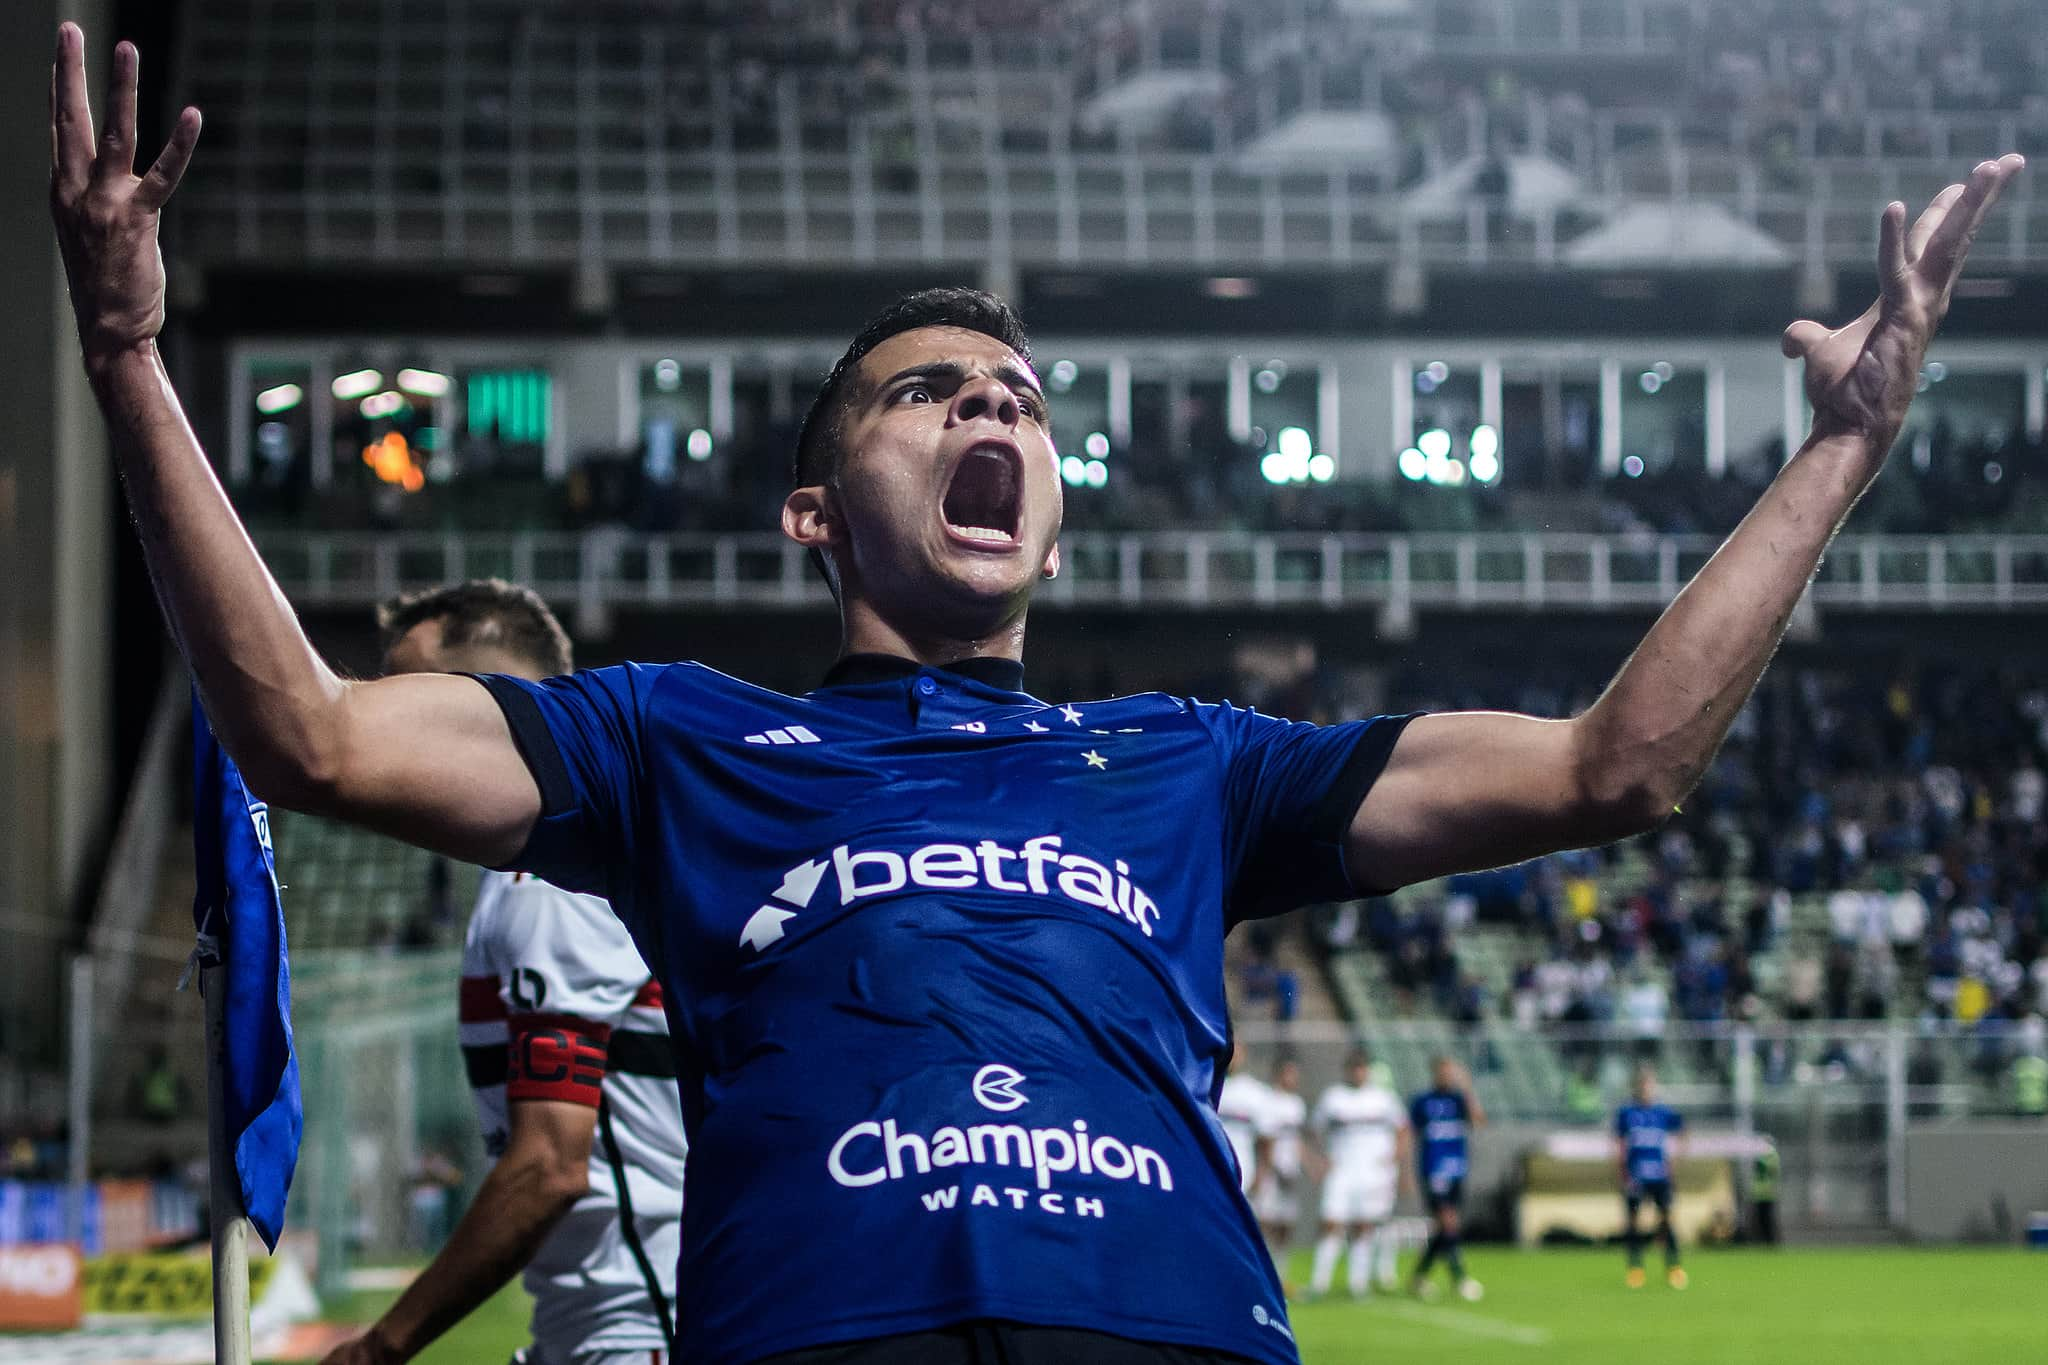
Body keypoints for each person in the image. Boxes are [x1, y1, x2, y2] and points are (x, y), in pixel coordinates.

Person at [48, 25, 2024, 1363]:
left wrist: (1844, 445)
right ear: (817, 511)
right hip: (826, 1326)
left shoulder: (1193, 762)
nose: (994, 405)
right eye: (931, 390)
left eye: (1019, 399)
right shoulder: (676, 738)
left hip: (1166, 1324)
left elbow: (1623, 763)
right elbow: (303, 730)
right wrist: (135, 362)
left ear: (1055, 519)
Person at [323, 581, 686, 1365]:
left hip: (642, 1330)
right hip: (598, 1324)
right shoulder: (541, 873)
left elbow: (551, 1166)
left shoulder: (554, 883)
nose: (385, 722)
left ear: (496, 707)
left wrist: (382, 1345)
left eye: (411, 694)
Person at [1307, 1049, 1409, 1300]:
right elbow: (1314, 1129)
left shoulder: (1384, 1099)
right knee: (1331, 1223)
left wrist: (1395, 1158)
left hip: (1372, 1173)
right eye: (1354, 1068)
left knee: (1363, 1226)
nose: (1358, 1072)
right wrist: (1321, 1158)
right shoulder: (1334, 1097)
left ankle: (1358, 1284)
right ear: (1347, 1070)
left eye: (1362, 1068)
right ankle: (1319, 1284)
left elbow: (1404, 1129)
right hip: (1341, 1171)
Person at [1407, 1057, 1484, 1301]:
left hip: (1456, 1170)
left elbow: (1478, 1121)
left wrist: (1468, 1088)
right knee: (1448, 1223)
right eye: (1444, 1072)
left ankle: (1419, 1277)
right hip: (1433, 1171)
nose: (1447, 1076)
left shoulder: (1459, 1100)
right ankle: (1460, 1279)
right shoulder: (1423, 1101)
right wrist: (1407, 1171)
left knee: (1445, 1227)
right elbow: (1410, 1134)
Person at [1616, 1065, 1687, 1290]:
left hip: (1659, 1177)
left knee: (1666, 1221)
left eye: (1650, 1085)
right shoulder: (1627, 1113)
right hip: (1637, 1177)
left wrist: (1673, 1163)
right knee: (1634, 1223)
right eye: (1644, 1085)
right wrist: (1621, 1172)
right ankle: (1635, 1269)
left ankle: (1674, 1268)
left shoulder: (1663, 1113)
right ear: (1638, 1087)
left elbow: (1683, 1132)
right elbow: (1619, 1143)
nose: (1647, 1089)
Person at [1251, 1058, 1309, 1269]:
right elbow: (1265, 1141)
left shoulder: (1296, 1104)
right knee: (1264, 1223)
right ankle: (1260, 1273)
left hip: (1290, 1174)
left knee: (1286, 1226)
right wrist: (1267, 1170)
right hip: (1272, 1173)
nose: (1294, 1079)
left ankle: (1280, 1275)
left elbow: (1296, 1141)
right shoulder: (1268, 1102)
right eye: (1290, 1073)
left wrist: (1312, 1165)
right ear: (1279, 1074)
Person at [1216, 1044, 1274, 1204]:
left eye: (1236, 1052)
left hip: (1243, 1167)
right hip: (1209, 1165)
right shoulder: (1204, 1085)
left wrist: (1261, 1175)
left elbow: (1267, 1140)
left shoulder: (1255, 1093)